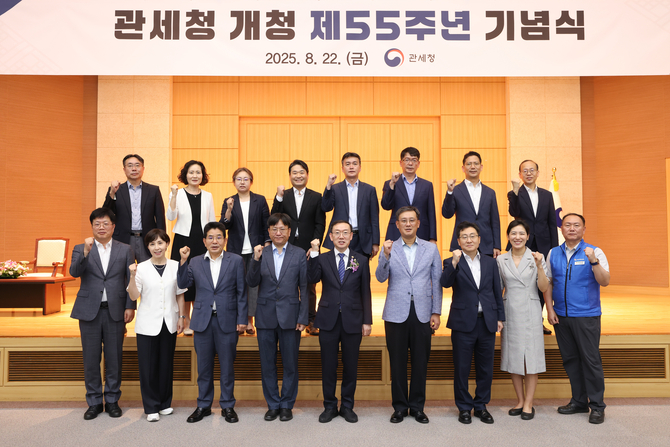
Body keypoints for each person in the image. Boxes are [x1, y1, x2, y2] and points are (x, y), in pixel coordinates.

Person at [376, 206, 442, 424]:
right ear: (397, 225)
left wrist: (436, 311)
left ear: (418, 223)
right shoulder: (389, 247)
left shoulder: (431, 249)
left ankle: (417, 407)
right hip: (396, 313)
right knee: (397, 362)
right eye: (403, 220)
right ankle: (399, 407)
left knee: (420, 362)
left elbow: (437, 281)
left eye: (411, 220)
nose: (408, 224)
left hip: (422, 312)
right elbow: (380, 277)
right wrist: (385, 256)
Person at [177, 222, 248, 424]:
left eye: (218, 237)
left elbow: (241, 292)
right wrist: (183, 261)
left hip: (228, 320)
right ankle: (203, 405)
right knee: (204, 367)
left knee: (227, 368)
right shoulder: (195, 261)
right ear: (204, 241)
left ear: (225, 240)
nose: (214, 241)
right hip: (202, 321)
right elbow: (183, 284)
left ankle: (227, 406)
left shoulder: (236, 260)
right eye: (210, 237)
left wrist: (242, 319)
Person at [69, 208, 136, 420]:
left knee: (114, 358)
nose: (101, 227)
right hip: (89, 311)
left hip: (115, 310)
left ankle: (113, 400)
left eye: (105, 223)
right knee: (91, 359)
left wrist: (130, 306)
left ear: (113, 227)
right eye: (97, 224)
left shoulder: (125, 249)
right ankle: (94, 402)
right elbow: (74, 272)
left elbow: (130, 279)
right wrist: (85, 252)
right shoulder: (81, 248)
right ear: (92, 227)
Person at [544, 213, 610, 424]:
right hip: (561, 316)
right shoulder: (553, 253)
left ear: (583, 229)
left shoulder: (594, 251)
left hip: (586, 315)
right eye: (567, 225)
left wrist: (594, 261)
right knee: (571, 360)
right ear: (561, 229)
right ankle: (579, 401)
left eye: (576, 225)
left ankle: (597, 406)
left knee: (590, 361)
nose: (571, 228)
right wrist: (550, 310)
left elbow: (605, 281)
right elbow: (548, 283)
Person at [307, 221, 372, 423]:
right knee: (328, 365)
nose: (341, 236)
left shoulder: (361, 260)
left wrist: (367, 321)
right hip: (328, 319)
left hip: (353, 319)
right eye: (337, 233)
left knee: (350, 366)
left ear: (351, 236)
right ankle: (329, 406)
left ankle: (347, 406)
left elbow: (365, 291)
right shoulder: (322, 258)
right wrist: (314, 253)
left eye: (345, 233)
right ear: (331, 237)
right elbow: (312, 278)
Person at [246, 213, 308, 422]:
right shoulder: (260, 253)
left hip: (291, 316)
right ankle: (273, 404)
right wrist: (255, 260)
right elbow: (251, 281)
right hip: (265, 316)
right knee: (267, 364)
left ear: (289, 231)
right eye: (274, 229)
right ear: (269, 231)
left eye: (282, 229)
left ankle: (287, 404)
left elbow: (304, 287)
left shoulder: (299, 254)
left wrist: (303, 316)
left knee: (290, 364)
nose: (278, 232)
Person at [441, 221, 505, 425]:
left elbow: (496, 292)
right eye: (464, 237)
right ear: (458, 241)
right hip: (462, 323)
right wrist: (453, 262)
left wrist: (500, 317)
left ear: (479, 239)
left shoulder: (490, 262)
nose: (469, 240)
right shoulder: (451, 261)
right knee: (462, 368)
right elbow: (445, 283)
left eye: (472, 236)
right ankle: (464, 407)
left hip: (487, 321)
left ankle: (481, 406)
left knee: (485, 368)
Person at [127, 229, 187, 422]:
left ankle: (164, 403)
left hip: (169, 321)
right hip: (147, 324)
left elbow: (180, 294)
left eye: (160, 243)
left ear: (167, 244)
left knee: (166, 364)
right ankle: (151, 406)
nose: (157, 247)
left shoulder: (176, 265)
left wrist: (182, 317)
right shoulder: (141, 268)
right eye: (152, 244)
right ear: (148, 247)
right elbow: (134, 295)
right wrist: (132, 276)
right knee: (148, 367)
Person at [496, 220, 549, 420]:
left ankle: (529, 402)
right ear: (508, 236)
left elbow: (543, 287)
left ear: (527, 236)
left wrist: (540, 266)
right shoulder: (501, 260)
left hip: (530, 310)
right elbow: (497, 289)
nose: (517, 237)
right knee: (514, 357)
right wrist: (498, 316)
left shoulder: (536, 257)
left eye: (521, 233)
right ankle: (519, 400)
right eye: (513, 233)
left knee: (531, 358)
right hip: (509, 311)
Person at [272, 160, 326, 336]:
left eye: (301, 172)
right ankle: (289, 318)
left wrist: (315, 245)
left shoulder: (316, 197)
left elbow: (320, 223)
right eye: (294, 172)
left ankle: (311, 320)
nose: (298, 176)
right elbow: (274, 217)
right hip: (286, 247)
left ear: (307, 175)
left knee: (309, 285)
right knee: (286, 284)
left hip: (308, 247)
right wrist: (278, 197)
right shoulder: (284, 195)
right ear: (290, 176)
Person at [508, 159, 558, 335]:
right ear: (520, 174)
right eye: (525, 171)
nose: (528, 173)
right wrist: (515, 192)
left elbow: (552, 222)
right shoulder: (515, 193)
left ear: (538, 173)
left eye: (532, 170)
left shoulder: (547, 195)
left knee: (542, 283)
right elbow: (514, 213)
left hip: (544, 244)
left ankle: (538, 320)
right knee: (522, 282)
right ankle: (520, 320)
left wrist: (554, 248)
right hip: (522, 244)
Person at [167, 160, 216, 336]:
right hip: (183, 240)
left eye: (198, 172)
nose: (195, 175)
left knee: (201, 280)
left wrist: (212, 242)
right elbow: (171, 216)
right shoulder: (177, 193)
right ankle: (184, 318)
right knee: (183, 279)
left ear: (203, 175)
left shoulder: (208, 196)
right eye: (191, 172)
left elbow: (211, 221)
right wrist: (173, 196)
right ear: (185, 175)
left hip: (202, 242)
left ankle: (198, 319)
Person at [220, 167, 271, 335]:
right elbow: (224, 225)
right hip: (235, 250)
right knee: (238, 285)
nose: (242, 182)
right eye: (239, 179)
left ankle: (249, 320)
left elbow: (266, 224)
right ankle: (239, 319)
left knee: (253, 285)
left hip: (256, 249)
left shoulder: (260, 200)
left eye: (245, 179)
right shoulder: (229, 201)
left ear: (251, 182)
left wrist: (267, 244)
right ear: (234, 182)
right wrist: (229, 209)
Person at [103, 154, 166, 262]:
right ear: (124, 169)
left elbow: (160, 217)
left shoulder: (153, 190)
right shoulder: (116, 189)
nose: (134, 168)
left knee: (148, 270)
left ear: (143, 168)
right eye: (130, 165)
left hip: (148, 239)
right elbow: (106, 214)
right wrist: (112, 193)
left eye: (137, 165)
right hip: (123, 239)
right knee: (123, 270)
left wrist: (161, 240)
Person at [442, 151, 501, 257]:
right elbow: (447, 214)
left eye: (476, 163)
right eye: (469, 164)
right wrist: (449, 192)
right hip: (462, 244)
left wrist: (497, 245)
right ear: (463, 168)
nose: (473, 167)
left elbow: (495, 221)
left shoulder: (490, 192)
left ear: (481, 167)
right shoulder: (456, 190)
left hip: (486, 245)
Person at [322, 152, 380, 259]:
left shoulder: (369, 190)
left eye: (354, 163)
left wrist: (375, 242)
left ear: (360, 167)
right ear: (343, 168)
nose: (351, 167)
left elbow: (374, 218)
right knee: (339, 268)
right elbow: (326, 207)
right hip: (341, 237)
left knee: (360, 268)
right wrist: (328, 186)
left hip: (362, 239)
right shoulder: (335, 188)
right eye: (347, 164)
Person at [381, 147, 437, 244]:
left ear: (418, 164)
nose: (410, 163)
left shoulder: (427, 185)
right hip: (396, 232)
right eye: (407, 160)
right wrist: (392, 185)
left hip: (422, 232)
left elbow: (431, 212)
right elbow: (386, 206)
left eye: (414, 160)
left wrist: (432, 238)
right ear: (400, 163)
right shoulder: (391, 183)